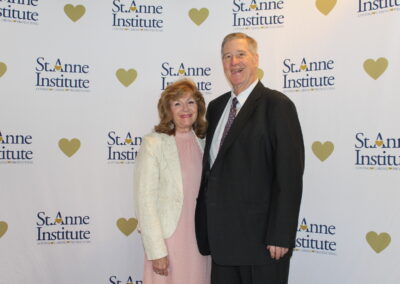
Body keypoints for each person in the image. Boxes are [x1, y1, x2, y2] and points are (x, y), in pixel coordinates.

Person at [195, 32, 304, 284]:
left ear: (256, 59)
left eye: (241, 54)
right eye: (227, 56)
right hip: (221, 242)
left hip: (262, 244)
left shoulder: (277, 106)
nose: (234, 62)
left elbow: (289, 176)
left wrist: (280, 234)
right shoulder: (216, 107)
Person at [134, 79, 210, 284]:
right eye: (177, 103)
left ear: (199, 107)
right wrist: (156, 251)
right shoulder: (154, 143)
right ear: (168, 109)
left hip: (200, 240)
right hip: (169, 241)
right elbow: (145, 201)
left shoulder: (204, 142)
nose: (185, 109)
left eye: (191, 102)